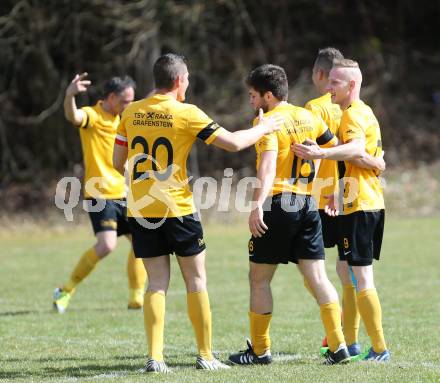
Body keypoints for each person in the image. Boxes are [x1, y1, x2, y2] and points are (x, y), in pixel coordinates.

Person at [113, 53, 283, 373]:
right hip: (177, 209)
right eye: (187, 78)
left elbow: (115, 163)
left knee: (156, 283)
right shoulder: (186, 113)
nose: (188, 83)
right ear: (178, 81)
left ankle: (155, 359)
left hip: (141, 208)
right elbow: (232, 143)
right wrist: (264, 127)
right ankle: (205, 356)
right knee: (196, 281)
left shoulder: (131, 112)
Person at [227, 64, 365, 366]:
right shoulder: (309, 116)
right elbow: (336, 150)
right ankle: (339, 346)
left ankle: (260, 351)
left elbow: (266, 167)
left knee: (259, 280)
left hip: (277, 205)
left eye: (253, 95)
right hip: (307, 206)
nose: (251, 101)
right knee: (317, 277)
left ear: (268, 95)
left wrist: (256, 205)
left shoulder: (269, 122)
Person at [292, 58, 391, 362]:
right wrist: (372, 164)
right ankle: (352, 341)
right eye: (329, 80)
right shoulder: (364, 112)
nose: (329, 87)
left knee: (361, 276)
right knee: (344, 270)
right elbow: (365, 157)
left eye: (335, 82)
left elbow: (356, 149)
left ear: (351, 85)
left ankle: (379, 348)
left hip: (361, 204)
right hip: (358, 201)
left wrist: (321, 152)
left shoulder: (351, 116)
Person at [53, 74, 147, 313]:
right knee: (107, 246)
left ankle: (137, 296)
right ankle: (65, 290)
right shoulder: (92, 116)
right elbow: (73, 116)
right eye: (126, 101)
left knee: (142, 241)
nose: (130, 105)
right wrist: (69, 95)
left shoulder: (124, 120)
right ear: (112, 97)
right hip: (99, 194)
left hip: (124, 193)